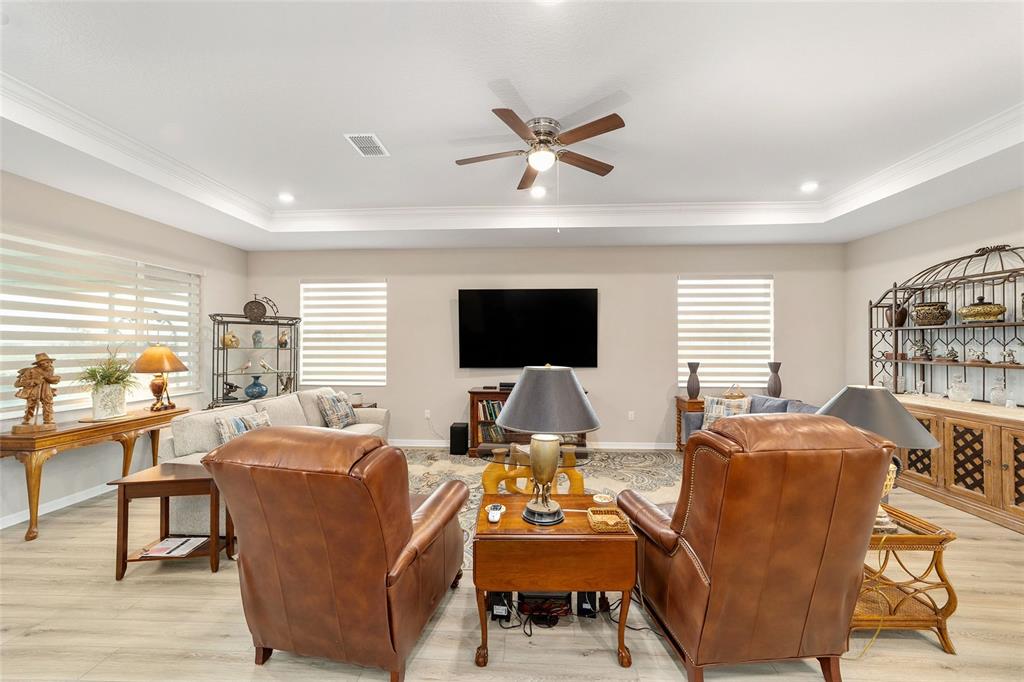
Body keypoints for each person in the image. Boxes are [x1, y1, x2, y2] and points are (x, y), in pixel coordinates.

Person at [15, 353, 61, 425]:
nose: (46, 365)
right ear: (38, 364)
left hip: (46, 390)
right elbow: (20, 383)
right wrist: (34, 381)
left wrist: (49, 378)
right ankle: (27, 420)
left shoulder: (50, 369)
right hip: (34, 390)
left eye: (48, 362)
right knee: (31, 405)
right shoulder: (31, 371)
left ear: (51, 362)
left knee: (48, 404)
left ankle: (48, 420)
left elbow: (52, 380)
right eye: (43, 363)